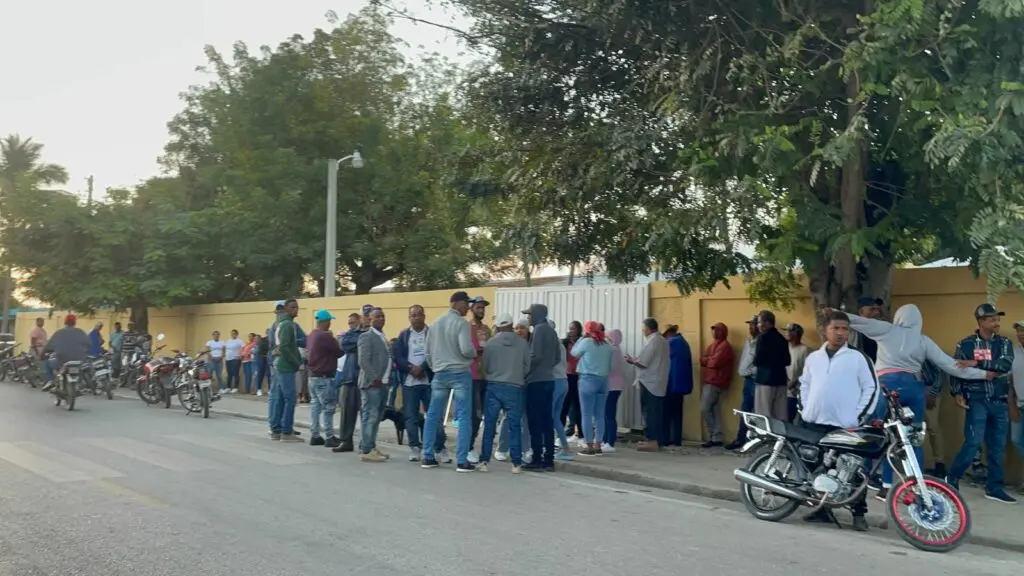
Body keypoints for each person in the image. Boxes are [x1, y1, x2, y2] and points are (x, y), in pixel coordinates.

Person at [832, 302, 992, 499]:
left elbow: (857, 321)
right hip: (915, 389)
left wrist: (834, 313)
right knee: (914, 437)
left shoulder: (888, 330)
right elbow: (950, 365)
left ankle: (880, 482)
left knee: (877, 433)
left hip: (887, 387)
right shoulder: (923, 341)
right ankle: (917, 485)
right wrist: (984, 374)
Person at [798, 310, 880, 531]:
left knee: (852, 470)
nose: (840, 333)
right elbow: (804, 384)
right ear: (825, 330)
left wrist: (858, 417)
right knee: (818, 467)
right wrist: (806, 409)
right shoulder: (814, 358)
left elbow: (871, 388)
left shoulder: (859, 358)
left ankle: (858, 514)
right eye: (836, 328)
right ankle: (822, 510)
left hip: (846, 425)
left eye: (845, 329)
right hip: (815, 422)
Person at [946, 304, 1016, 503]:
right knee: (973, 442)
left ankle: (994, 487)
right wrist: (957, 392)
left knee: (998, 447)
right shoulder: (966, 344)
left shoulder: (1004, 343)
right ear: (981, 322)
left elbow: (1004, 365)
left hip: (999, 401)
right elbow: (956, 368)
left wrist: (976, 363)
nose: (997, 322)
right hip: (976, 400)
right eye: (992, 319)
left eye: (997, 319)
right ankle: (952, 478)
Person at [422, 292, 478, 471]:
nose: (468, 307)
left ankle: (427, 455)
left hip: (440, 373)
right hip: (460, 372)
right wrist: (474, 354)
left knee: (433, 415)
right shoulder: (461, 324)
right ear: (456, 303)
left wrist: (435, 366)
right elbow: (466, 349)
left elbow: (428, 352)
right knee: (463, 417)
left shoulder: (436, 324)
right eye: (466, 303)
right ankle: (462, 460)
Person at [478, 312, 531, 473]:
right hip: (514, 387)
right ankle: (516, 463)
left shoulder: (491, 343)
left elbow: (484, 367)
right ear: (511, 324)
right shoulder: (522, 343)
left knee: (490, 425)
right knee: (514, 425)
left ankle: (484, 461)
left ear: (499, 326)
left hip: (494, 386)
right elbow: (527, 366)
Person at [394, 304, 446, 462]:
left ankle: (440, 449)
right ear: (409, 318)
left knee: (434, 415)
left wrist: (422, 367)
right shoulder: (403, 336)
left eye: (419, 314)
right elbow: (398, 357)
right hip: (410, 383)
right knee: (411, 416)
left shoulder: (432, 334)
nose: (417, 317)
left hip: (429, 381)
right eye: (413, 315)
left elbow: (437, 353)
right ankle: (415, 447)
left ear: (424, 316)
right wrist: (411, 369)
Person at [522, 303, 560, 471]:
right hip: (549, 380)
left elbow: (535, 356)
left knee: (535, 422)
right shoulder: (552, 331)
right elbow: (558, 357)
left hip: (536, 381)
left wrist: (525, 372)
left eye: (530, 314)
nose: (528, 317)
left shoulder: (539, 330)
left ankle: (537, 458)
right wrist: (547, 367)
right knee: (547, 421)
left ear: (537, 314)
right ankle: (549, 459)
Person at [571, 320, 614, 456]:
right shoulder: (607, 345)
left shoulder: (587, 342)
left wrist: (581, 339)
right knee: (600, 415)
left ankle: (589, 446)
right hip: (604, 381)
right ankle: (598, 445)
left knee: (586, 414)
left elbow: (574, 353)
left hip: (588, 379)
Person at [626, 318, 670, 452]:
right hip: (658, 381)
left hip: (650, 382)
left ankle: (652, 440)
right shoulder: (662, 340)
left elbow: (644, 362)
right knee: (657, 412)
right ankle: (657, 440)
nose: (642, 331)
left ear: (649, 329)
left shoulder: (652, 341)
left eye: (643, 328)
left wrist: (632, 361)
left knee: (649, 412)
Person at [496, 317, 535, 463]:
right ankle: (502, 448)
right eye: (517, 328)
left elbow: (529, 365)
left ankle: (526, 449)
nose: (519, 331)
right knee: (508, 417)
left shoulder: (530, 344)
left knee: (525, 419)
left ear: (528, 330)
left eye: (522, 328)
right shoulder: (511, 343)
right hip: (511, 384)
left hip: (526, 383)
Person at [357, 308, 392, 463]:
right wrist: (374, 377)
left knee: (376, 417)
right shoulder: (366, 336)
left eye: (383, 316)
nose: (381, 319)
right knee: (370, 416)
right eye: (377, 317)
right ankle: (366, 449)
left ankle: (371, 445)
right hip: (372, 384)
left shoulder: (383, 336)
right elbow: (363, 360)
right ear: (370, 319)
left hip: (384, 383)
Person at [334, 308, 371, 454]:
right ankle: (346, 441)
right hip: (350, 376)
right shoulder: (353, 333)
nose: (367, 319)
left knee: (367, 413)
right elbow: (344, 344)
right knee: (347, 411)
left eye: (370, 316)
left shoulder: (375, 334)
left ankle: (367, 443)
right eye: (365, 316)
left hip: (367, 378)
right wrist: (362, 342)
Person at [308, 310, 343, 448]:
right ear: (324, 321)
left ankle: (315, 435)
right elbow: (339, 352)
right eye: (329, 321)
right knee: (329, 407)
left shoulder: (311, 335)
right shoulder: (325, 336)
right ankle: (329, 436)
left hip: (313, 377)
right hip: (324, 377)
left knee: (315, 406)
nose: (330, 324)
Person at [268, 299, 302, 443]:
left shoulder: (280, 324)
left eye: (297, 307)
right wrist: (296, 362)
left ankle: (277, 429)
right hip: (285, 366)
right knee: (290, 399)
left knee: (280, 398)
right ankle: (286, 431)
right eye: (292, 307)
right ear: (286, 309)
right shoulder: (288, 325)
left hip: (279, 364)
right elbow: (284, 347)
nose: (296, 310)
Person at [725, 317, 760, 450]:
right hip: (747, 380)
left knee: (756, 413)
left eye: (753, 325)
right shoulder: (749, 341)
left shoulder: (761, 342)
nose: (750, 328)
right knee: (745, 410)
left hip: (755, 379)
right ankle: (741, 438)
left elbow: (761, 363)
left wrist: (751, 371)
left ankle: (756, 440)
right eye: (749, 325)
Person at [700, 322, 735, 448]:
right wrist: (709, 359)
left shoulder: (725, 346)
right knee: (714, 410)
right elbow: (702, 360)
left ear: (724, 332)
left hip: (716, 382)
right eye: (713, 330)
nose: (714, 332)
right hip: (710, 381)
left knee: (705, 408)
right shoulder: (713, 345)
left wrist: (708, 360)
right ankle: (716, 437)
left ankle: (714, 435)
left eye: (718, 330)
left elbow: (714, 363)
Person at [467, 296, 492, 464]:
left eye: (483, 308)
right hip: (471, 375)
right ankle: (468, 447)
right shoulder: (467, 327)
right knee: (473, 414)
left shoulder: (487, 329)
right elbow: (469, 349)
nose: (481, 310)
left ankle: (476, 445)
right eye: (478, 307)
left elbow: (490, 349)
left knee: (483, 414)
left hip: (486, 376)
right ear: (471, 309)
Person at [752, 310, 790, 420]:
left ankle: (767, 437)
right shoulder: (782, 339)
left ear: (767, 323)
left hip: (765, 381)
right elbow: (787, 360)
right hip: (781, 380)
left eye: (759, 322)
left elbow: (758, 360)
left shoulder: (763, 338)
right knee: (780, 415)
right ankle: (781, 437)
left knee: (763, 415)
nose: (758, 325)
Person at [41, 314, 90, 392]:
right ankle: (82, 383)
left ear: (65, 322)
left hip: (62, 361)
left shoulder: (59, 333)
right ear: (75, 322)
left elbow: (48, 347)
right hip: (78, 361)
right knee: (85, 367)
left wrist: (42, 355)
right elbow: (88, 344)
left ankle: (50, 381)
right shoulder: (81, 332)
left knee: (47, 363)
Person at [663, 325, 693, 447]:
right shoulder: (683, 342)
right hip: (682, 383)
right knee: (677, 413)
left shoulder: (672, 343)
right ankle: (676, 439)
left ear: (668, 334)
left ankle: (667, 438)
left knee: (667, 412)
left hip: (672, 383)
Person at [602, 328, 630, 453]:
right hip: (615, 386)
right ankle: (605, 440)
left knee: (609, 414)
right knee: (607, 414)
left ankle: (609, 442)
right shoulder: (617, 350)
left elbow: (611, 368)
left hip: (612, 386)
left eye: (608, 337)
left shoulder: (613, 350)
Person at [561, 321, 584, 441]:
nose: (571, 331)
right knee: (565, 405)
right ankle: (562, 432)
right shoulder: (565, 342)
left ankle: (580, 432)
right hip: (568, 375)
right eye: (570, 328)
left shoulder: (583, 342)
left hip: (579, 375)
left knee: (578, 405)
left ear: (579, 330)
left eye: (573, 329)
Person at [1008, 320, 1024, 492]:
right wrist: (1011, 404)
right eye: (1019, 331)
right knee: (1016, 440)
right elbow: (1009, 380)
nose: (1021, 334)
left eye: (1023, 331)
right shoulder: (1013, 351)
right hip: (1019, 404)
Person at [785, 323, 810, 423]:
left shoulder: (804, 350)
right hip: (782, 390)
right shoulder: (783, 348)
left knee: (788, 418)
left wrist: (794, 382)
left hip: (795, 391)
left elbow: (807, 371)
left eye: (789, 330)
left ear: (796, 333)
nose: (786, 333)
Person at [849, 297, 883, 362]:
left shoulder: (882, 327)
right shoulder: (853, 329)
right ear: (861, 311)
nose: (877, 312)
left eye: (878, 309)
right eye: (872, 309)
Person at [223, 329, 245, 394]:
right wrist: (224, 355)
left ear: (237, 334)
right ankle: (228, 388)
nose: (233, 335)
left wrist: (240, 355)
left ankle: (236, 388)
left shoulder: (239, 341)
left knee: (236, 373)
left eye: (234, 333)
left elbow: (243, 348)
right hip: (228, 359)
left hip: (235, 359)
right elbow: (224, 348)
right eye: (232, 333)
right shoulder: (228, 341)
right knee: (229, 373)